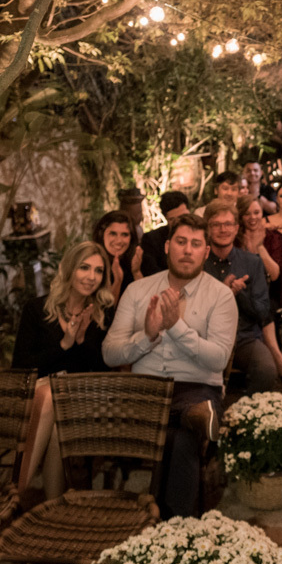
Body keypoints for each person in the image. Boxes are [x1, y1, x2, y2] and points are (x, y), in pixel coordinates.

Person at [102, 214, 238, 518]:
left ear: (206, 251)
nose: (187, 250)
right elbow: (109, 354)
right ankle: (177, 526)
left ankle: (167, 522)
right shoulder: (138, 291)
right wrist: (147, 336)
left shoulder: (221, 296)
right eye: (180, 242)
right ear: (167, 247)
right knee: (182, 433)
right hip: (146, 391)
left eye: (195, 244)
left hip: (197, 387)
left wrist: (175, 326)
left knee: (182, 433)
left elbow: (218, 359)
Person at [12, 241, 114, 498]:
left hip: (82, 396)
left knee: (53, 405)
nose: (91, 277)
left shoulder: (102, 314)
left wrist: (81, 342)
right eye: (84, 268)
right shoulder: (36, 310)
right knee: (51, 408)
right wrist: (64, 344)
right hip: (37, 394)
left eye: (99, 271)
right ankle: (50, 503)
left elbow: (102, 369)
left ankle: (15, 493)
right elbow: (21, 366)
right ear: (69, 269)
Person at [203, 200, 282, 390]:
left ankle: (244, 413)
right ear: (208, 229)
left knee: (266, 370)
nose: (223, 229)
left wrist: (240, 294)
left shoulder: (252, 262)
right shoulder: (199, 262)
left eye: (228, 224)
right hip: (204, 337)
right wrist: (223, 291)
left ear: (236, 228)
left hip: (243, 337)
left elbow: (263, 311)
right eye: (216, 225)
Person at [238, 196, 282, 309]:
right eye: (247, 214)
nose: (252, 217)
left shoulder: (273, 237)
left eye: (256, 212)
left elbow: (275, 275)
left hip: (269, 293)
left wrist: (259, 246)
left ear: (262, 213)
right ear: (241, 216)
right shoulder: (236, 238)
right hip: (241, 293)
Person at [93, 210, 143, 303]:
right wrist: (118, 281)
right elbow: (106, 313)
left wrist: (136, 272)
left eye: (124, 235)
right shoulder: (92, 262)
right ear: (101, 234)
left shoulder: (137, 260)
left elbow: (146, 303)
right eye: (113, 234)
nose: (119, 240)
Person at [140, 190, 190, 276]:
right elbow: (151, 273)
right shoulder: (151, 240)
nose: (180, 222)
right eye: (173, 220)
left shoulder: (200, 235)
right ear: (166, 219)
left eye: (183, 217)